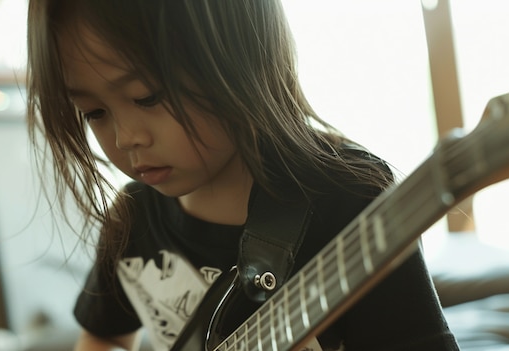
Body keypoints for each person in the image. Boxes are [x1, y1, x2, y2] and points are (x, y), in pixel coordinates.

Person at [25, 1, 460, 350]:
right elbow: (103, 335)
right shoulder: (133, 218)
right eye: (94, 113)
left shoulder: (349, 201)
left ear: (239, 57)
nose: (125, 137)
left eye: (147, 96)